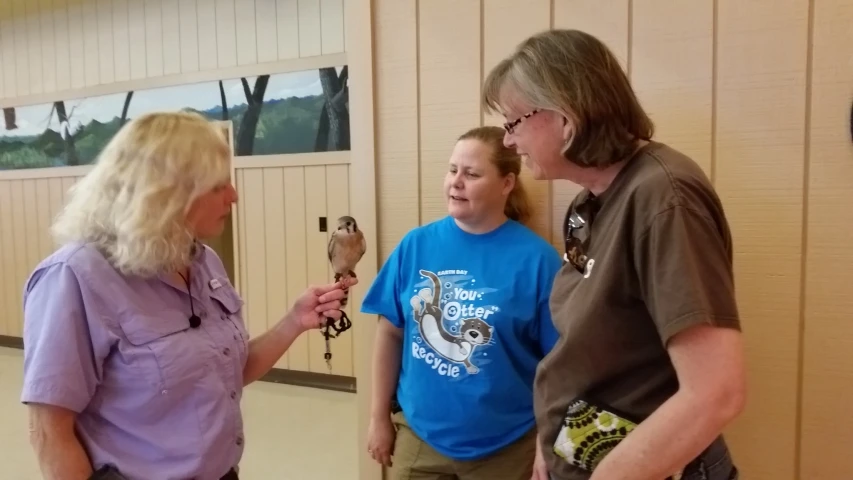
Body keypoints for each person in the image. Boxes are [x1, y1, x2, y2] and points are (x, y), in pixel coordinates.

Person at [20, 111, 356, 480]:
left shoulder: (202, 260)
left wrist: (294, 321)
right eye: (217, 186)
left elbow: (227, 372)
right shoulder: (74, 277)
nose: (234, 196)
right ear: (163, 192)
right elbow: (49, 432)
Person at [481, 29, 746, 480]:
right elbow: (591, 343)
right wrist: (552, 440)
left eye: (513, 123)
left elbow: (715, 392)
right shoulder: (590, 202)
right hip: (583, 449)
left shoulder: (665, 198)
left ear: (565, 116)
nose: (508, 141)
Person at [361, 125, 563, 480]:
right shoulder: (415, 245)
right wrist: (378, 418)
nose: (456, 182)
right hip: (419, 439)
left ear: (506, 184)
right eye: (452, 170)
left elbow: (560, 365)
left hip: (507, 448)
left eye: (471, 174)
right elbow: (389, 335)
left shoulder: (539, 261)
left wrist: (547, 443)